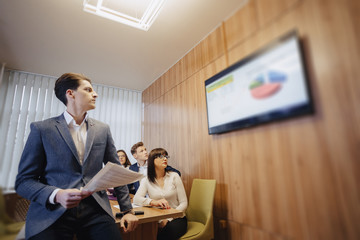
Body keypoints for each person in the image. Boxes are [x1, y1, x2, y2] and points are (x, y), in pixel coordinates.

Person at [15, 73, 138, 240]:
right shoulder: (42, 129)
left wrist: (127, 210)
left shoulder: (103, 129)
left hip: (96, 210)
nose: (95, 94)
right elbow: (24, 181)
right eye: (88, 90)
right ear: (70, 94)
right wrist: (56, 194)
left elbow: (117, 172)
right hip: (53, 212)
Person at [133, 148, 187, 240]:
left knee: (165, 233)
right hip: (156, 218)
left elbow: (184, 203)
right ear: (152, 160)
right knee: (142, 231)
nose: (165, 159)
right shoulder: (146, 180)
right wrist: (153, 202)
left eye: (166, 156)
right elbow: (136, 199)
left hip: (177, 218)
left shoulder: (174, 176)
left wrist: (168, 218)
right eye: (161, 156)